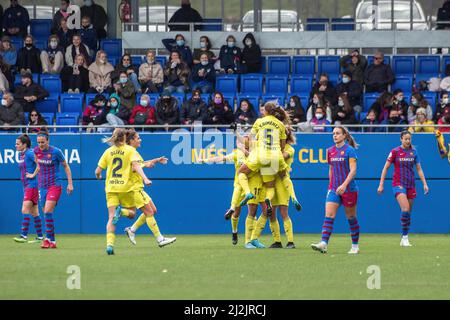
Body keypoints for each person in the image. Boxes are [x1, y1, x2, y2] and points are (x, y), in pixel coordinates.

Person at [95, 128, 151, 255]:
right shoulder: (130, 150)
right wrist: (145, 178)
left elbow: (97, 171)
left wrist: (99, 178)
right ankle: (122, 212)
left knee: (110, 217)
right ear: (124, 138)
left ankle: (109, 245)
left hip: (111, 188)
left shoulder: (108, 152)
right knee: (132, 214)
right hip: (126, 188)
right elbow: (136, 165)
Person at [311, 126, 360, 254]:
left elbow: (353, 170)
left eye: (338, 133)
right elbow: (331, 169)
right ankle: (324, 243)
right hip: (334, 189)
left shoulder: (350, 150)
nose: (335, 135)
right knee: (329, 215)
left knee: (351, 217)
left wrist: (344, 185)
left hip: (349, 189)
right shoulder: (330, 151)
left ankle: (355, 246)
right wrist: (331, 186)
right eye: (333, 133)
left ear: (344, 136)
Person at [123, 130, 177, 247]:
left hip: (137, 188)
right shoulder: (132, 152)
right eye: (138, 138)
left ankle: (131, 230)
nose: (140, 140)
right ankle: (160, 239)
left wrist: (156, 160)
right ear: (131, 141)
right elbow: (135, 166)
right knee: (149, 212)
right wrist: (146, 178)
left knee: (153, 210)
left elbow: (142, 163)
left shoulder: (131, 152)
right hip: (134, 188)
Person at [378, 130, 429, 247]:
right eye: (405, 139)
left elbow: (419, 169)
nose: (407, 141)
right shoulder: (395, 151)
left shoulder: (414, 152)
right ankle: (405, 238)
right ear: (401, 139)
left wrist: (424, 184)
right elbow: (385, 168)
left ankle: (404, 236)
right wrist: (381, 184)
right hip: (398, 184)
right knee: (405, 208)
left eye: (409, 139)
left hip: (411, 184)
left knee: (408, 213)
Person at [34, 130, 74, 249]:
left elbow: (66, 167)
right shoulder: (36, 151)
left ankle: (47, 239)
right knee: (47, 214)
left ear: (48, 141)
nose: (40, 145)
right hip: (42, 186)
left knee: (47, 211)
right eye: (38, 142)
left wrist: (70, 184)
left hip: (54, 185)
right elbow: (37, 166)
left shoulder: (56, 152)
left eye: (43, 142)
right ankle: (52, 240)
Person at [269, 129, 300, 249]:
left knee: (283, 212)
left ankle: (290, 241)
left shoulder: (290, 149)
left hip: (282, 182)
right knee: (271, 213)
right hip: (271, 181)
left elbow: (281, 158)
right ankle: (277, 241)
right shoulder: (273, 148)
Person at [13, 134, 43, 243]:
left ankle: (24, 235)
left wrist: (33, 174)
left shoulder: (30, 153)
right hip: (27, 186)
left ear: (24, 145)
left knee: (24, 209)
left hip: (32, 185)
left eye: (17, 144)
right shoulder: (22, 154)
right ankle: (40, 237)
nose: (15, 145)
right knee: (34, 213)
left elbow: (40, 163)